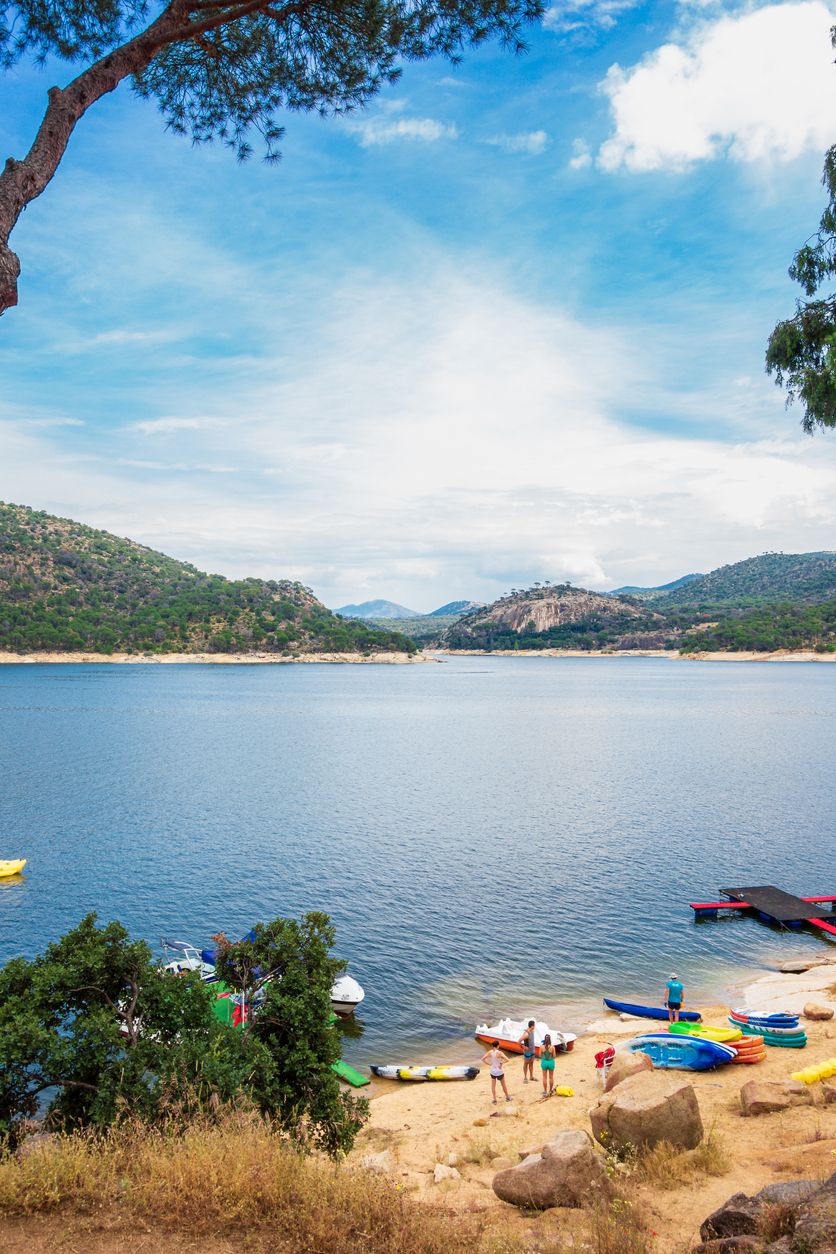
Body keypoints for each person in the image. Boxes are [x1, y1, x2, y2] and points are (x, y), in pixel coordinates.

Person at [481, 1040, 512, 1104]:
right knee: (503, 1085)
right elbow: (508, 1060)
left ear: (493, 1046)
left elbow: (482, 1059)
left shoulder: (490, 1052)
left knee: (493, 1086)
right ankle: (507, 1097)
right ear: (497, 1046)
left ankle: (495, 1100)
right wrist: (501, 1063)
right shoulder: (500, 1053)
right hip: (499, 1072)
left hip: (492, 1071)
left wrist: (489, 1064)